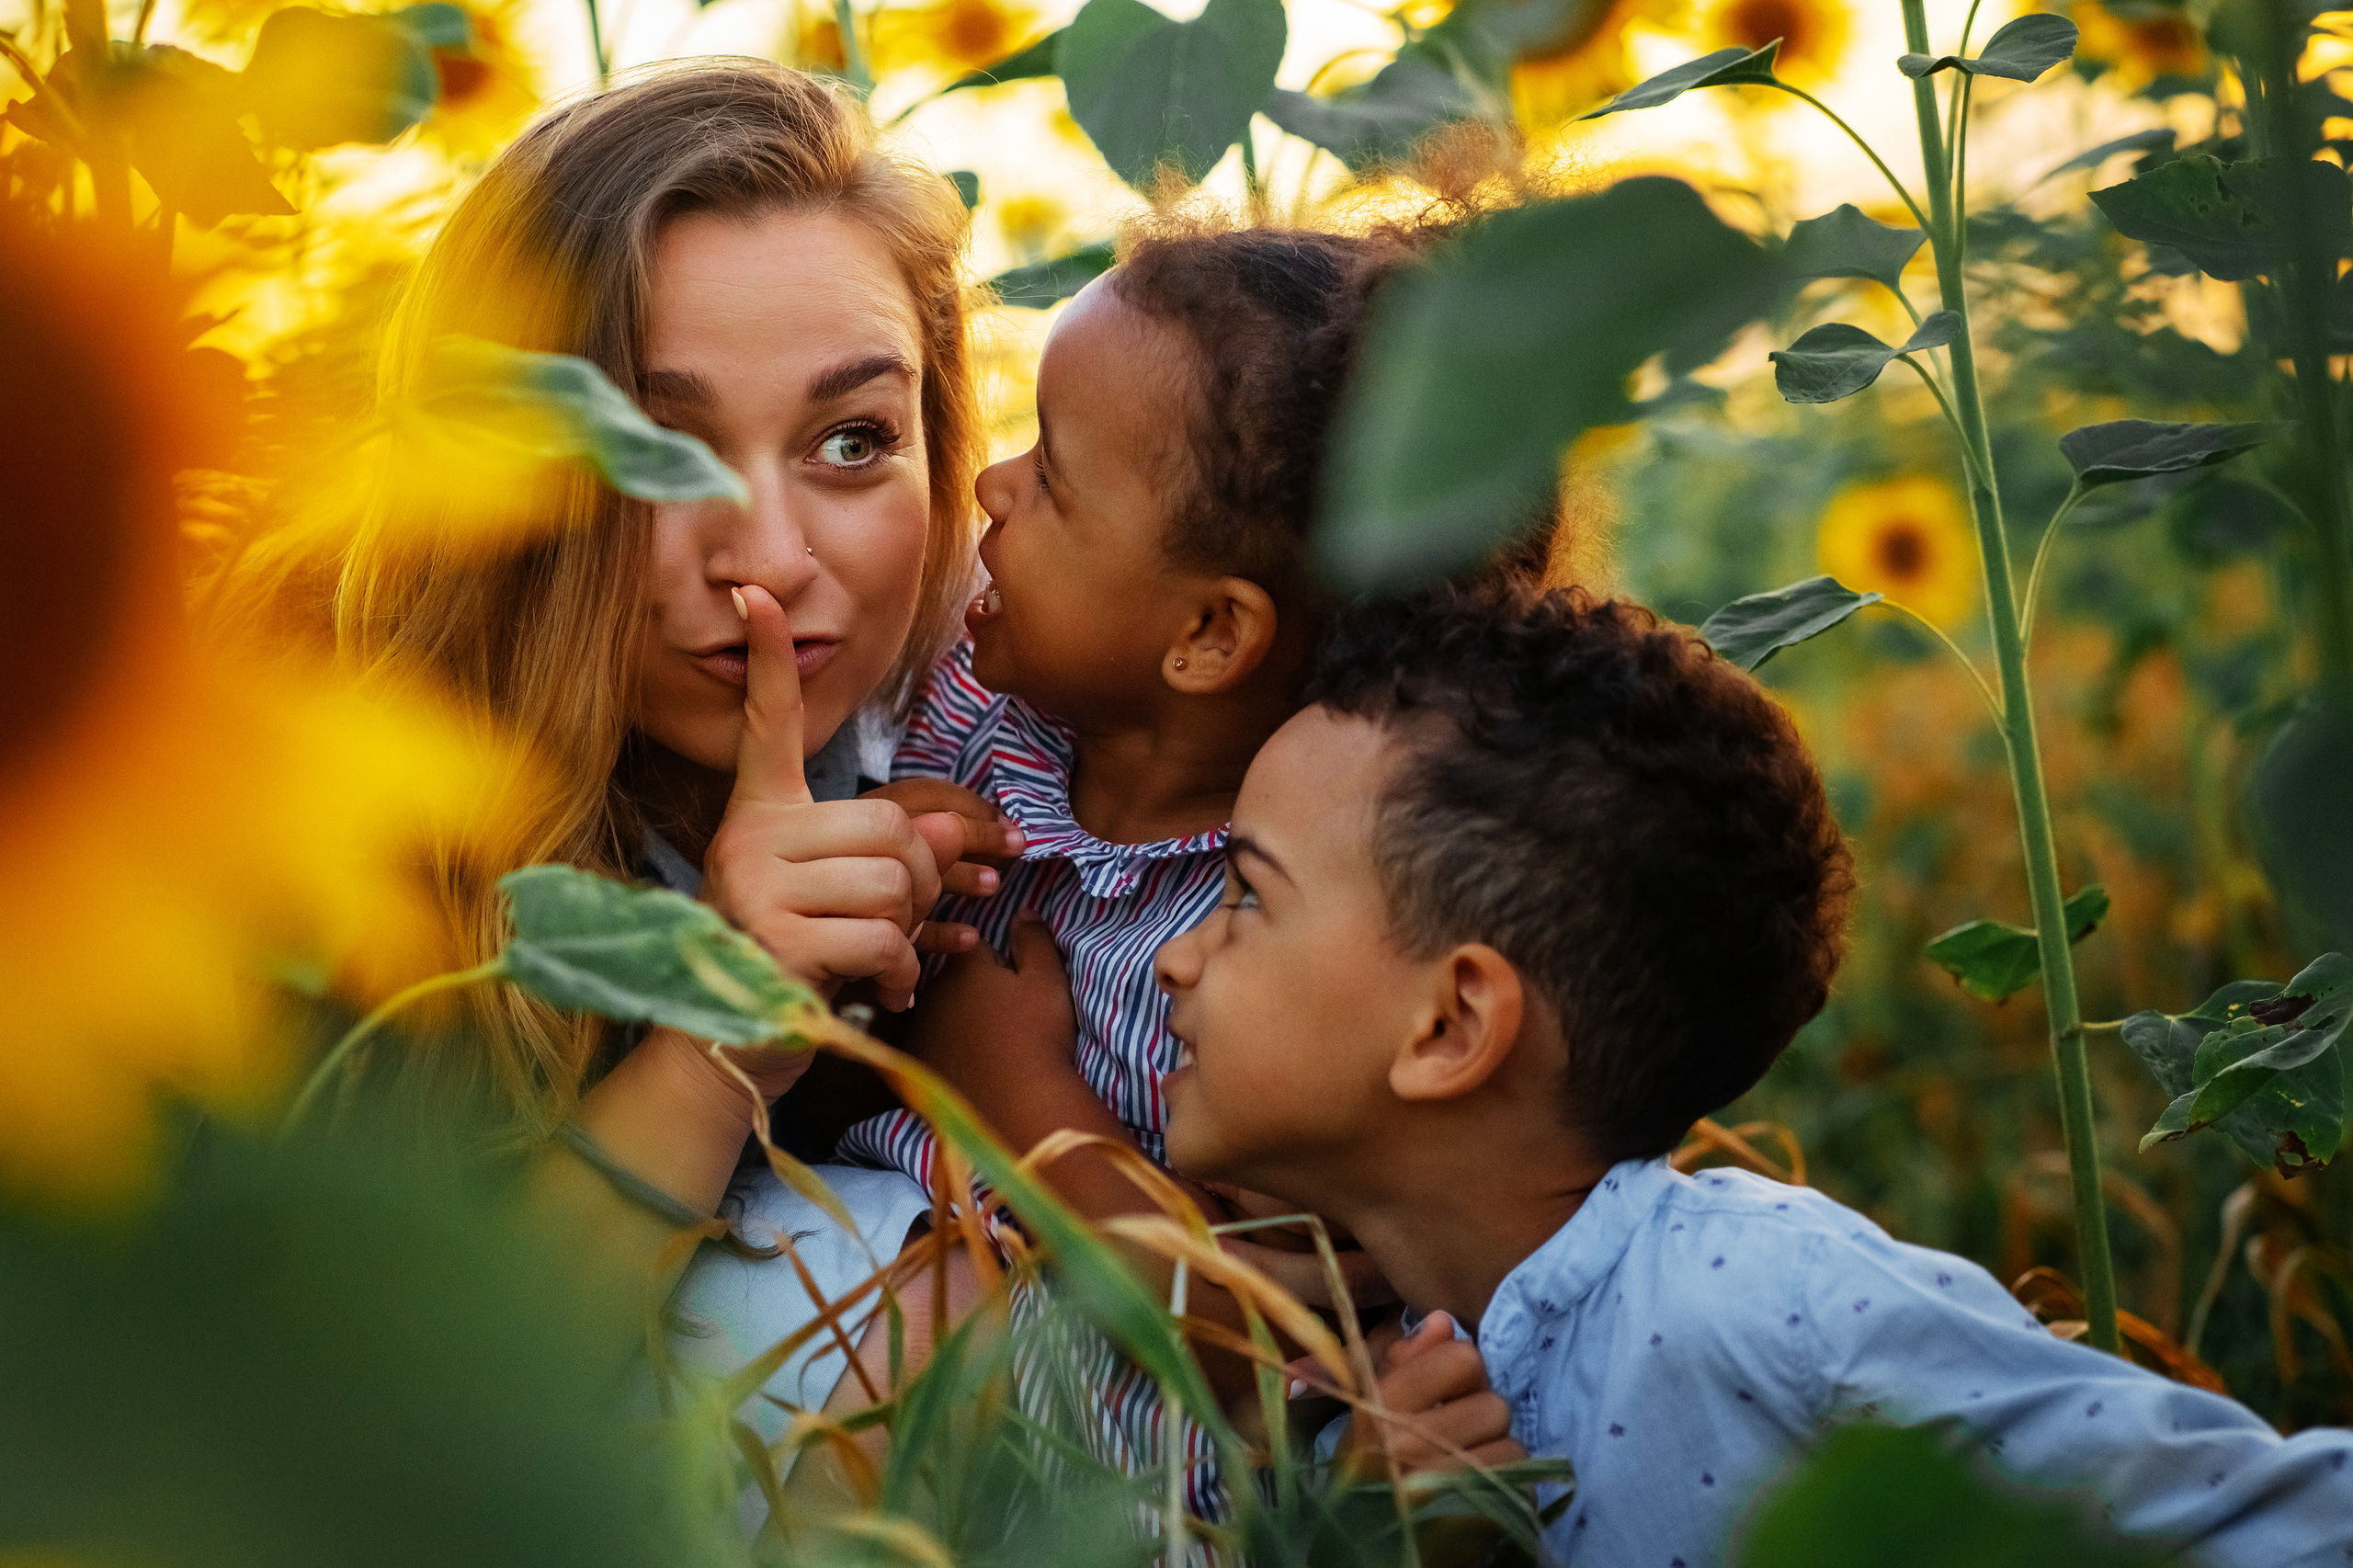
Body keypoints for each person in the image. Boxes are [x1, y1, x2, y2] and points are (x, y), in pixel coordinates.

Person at [1154, 580, 2353, 1567]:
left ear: (1452, 1024)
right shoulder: (1365, 1408)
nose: (1174, 956)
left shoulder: (1761, 1299)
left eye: (1249, 896)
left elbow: (2280, 1523)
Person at [287, 60, 1007, 1414]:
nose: (771, 560)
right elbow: (374, 1434)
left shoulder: (1011, 717)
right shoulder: (324, 809)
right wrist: (723, 1035)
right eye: (651, 455)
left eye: (853, 440)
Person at [813, 225, 1496, 1513]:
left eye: (1054, 479)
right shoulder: (975, 695)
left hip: (1158, 1469)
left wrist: (1000, 1067)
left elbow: (1245, 1322)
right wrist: (883, 848)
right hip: (898, 1336)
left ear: (1206, 633)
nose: (990, 490)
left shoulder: (1315, 905)